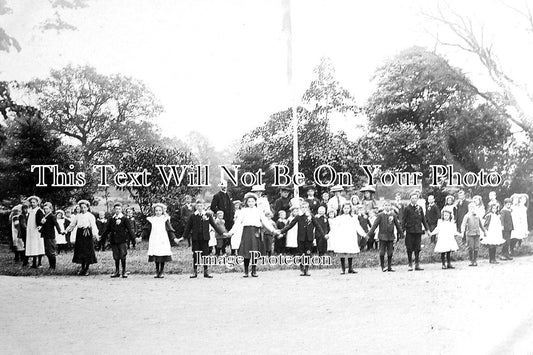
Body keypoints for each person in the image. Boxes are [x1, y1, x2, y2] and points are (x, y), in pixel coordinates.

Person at [227, 192, 279, 278]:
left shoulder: (258, 211)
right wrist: (231, 232)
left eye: (252, 201)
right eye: (249, 201)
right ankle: (246, 271)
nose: (251, 203)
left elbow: (265, 221)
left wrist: (273, 230)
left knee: (255, 251)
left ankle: (254, 270)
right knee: (246, 252)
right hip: (247, 232)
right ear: (246, 202)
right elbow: (237, 222)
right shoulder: (243, 211)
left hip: (256, 232)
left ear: (255, 202)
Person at [278, 201, 324, 276]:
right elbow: (290, 225)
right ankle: (302, 268)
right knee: (301, 254)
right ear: (300, 208)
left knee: (308, 253)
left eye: (306, 207)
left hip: (309, 239)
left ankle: (307, 269)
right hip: (301, 238)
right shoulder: (298, 216)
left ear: (308, 208)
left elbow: (318, 226)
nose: (304, 209)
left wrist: (323, 234)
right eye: (302, 207)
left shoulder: (311, 216)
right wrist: (281, 231)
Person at [182, 200, 225, 278]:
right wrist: (183, 237)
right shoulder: (193, 216)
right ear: (195, 207)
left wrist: (222, 233)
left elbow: (214, 225)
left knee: (205, 255)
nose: (199, 207)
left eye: (201, 206)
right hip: (195, 239)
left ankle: (206, 272)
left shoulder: (208, 215)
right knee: (195, 255)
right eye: (198, 206)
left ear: (204, 206)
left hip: (205, 238)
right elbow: (188, 228)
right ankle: (195, 272)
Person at [141, 203, 181, 278]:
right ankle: (157, 271)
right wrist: (141, 237)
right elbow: (145, 229)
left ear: (162, 211)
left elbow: (170, 230)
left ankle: (161, 271)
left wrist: (174, 238)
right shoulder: (152, 219)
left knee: (162, 254)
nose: (158, 212)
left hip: (163, 239)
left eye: (159, 210)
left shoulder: (165, 219)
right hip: (154, 238)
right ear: (154, 211)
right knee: (156, 254)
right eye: (156, 211)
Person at [330, 203, 366, 274]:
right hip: (342, 236)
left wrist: (364, 234)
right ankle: (343, 269)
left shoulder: (354, 217)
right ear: (342, 209)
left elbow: (358, 227)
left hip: (351, 236)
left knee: (350, 252)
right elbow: (334, 228)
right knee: (342, 252)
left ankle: (350, 268)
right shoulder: (339, 218)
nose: (346, 210)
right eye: (345, 208)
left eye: (348, 208)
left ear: (350, 209)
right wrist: (329, 234)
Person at [101, 203, 135, 278]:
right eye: (116, 209)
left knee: (123, 255)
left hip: (122, 240)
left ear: (121, 209)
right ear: (114, 209)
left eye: (119, 209)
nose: (117, 210)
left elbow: (129, 229)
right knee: (116, 256)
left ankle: (124, 271)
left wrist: (133, 239)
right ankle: (117, 271)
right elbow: (107, 229)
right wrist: (102, 237)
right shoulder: (112, 219)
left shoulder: (124, 219)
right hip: (114, 240)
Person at [367, 201, 402, 272]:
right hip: (382, 236)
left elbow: (397, 225)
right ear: (383, 206)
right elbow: (374, 225)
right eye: (386, 205)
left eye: (389, 205)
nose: (387, 207)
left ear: (391, 206)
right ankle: (382, 266)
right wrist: (369, 234)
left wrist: (401, 233)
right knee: (382, 252)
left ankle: (389, 266)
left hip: (390, 236)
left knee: (390, 252)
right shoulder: (380, 215)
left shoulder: (393, 215)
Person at [66, 200, 99, 276]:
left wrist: (95, 234)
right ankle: (82, 268)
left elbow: (93, 226)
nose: (83, 209)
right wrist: (66, 231)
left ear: (87, 208)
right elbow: (72, 225)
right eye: (82, 207)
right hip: (80, 234)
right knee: (81, 251)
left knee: (87, 251)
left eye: (85, 207)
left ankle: (86, 269)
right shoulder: (78, 216)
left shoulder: (90, 216)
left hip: (87, 234)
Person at [402, 191, 429, 271]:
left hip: (418, 231)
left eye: (415, 198)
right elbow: (403, 220)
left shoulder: (420, 208)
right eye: (412, 198)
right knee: (409, 248)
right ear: (410, 199)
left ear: (417, 199)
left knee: (417, 248)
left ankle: (417, 264)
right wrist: (402, 231)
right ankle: (410, 264)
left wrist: (427, 229)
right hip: (410, 231)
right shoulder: (407, 208)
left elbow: (423, 220)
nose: (414, 200)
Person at [461, 202, 487, 267]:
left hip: (477, 234)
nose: (472, 209)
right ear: (468, 208)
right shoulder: (467, 216)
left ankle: (475, 260)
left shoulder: (477, 216)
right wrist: (462, 231)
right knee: (470, 247)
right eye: (471, 208)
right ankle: (471, 260)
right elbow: (463, 224)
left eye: (473, 207)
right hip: (470, 234)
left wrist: (484, 231)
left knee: (476, 247)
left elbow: (481, 225)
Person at [38, 202, 63, 270]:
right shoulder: (44, 216)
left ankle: (53, 266)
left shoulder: (52, 216)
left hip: (50, 236)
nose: (45, 210)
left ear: (50, 209)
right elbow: (43, 225)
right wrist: (41, 226)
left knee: (51, 251)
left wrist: (60, 231)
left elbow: (56, 224)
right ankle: (50, 266)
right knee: (47, 251)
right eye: (44, 209)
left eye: (47, 209)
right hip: (45, 235)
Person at [25, 196, 45, 269]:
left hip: (36, 231)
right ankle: (33, 263)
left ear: (37, 203)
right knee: (32, 246)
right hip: (30, 230)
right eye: (31, 202)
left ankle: (38, 263)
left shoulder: (39, 211)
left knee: (37, 246)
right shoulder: (29, 211)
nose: (32, 204)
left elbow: (41, 221)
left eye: (34, 202)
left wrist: (40, 226)